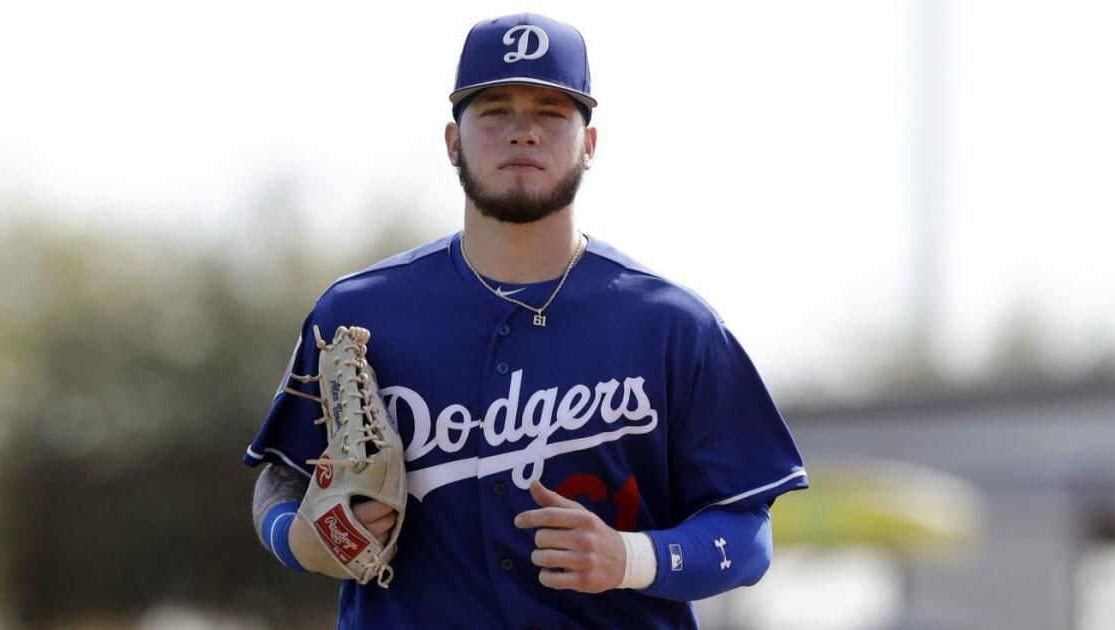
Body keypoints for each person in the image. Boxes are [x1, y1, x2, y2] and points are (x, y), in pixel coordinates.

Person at [245, 12, 808, 629]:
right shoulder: (357, 312)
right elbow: (281, 480)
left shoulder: (673, 327)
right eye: (494, 111)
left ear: (588, 144)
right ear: (452, 141)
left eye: (550, 112)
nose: (523, 133)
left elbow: (748, 536)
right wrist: (301, 541)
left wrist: (632, 557)